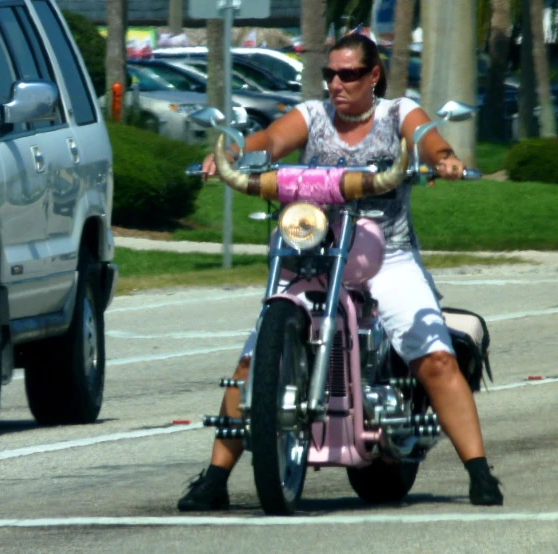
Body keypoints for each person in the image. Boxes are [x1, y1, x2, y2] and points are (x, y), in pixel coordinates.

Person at [178, 33, 503, 511]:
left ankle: (479, 472)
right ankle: (214, 478)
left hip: (386, 253)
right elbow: (269, 141)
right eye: (329, 73)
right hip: (317, 248)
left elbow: (425, 138)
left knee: (433, 356)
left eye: (348, 74)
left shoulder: (396, 113)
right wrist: (234, 153)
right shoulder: (312, 116)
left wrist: (443, 159)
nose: (336, 83)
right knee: (252, 361)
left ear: (374, 76)